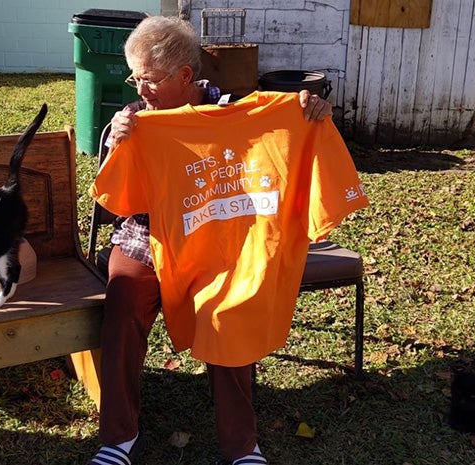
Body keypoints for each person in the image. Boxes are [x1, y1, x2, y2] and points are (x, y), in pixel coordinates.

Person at [88, 15, 335, 465]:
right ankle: (118, 438)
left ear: (185, 76)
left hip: (219, 240)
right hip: (146, 237)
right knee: (123, 300)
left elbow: (283, 136)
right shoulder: (137, 121)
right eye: (134, 78)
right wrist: (118, 144)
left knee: (229, 310)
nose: (139, 90)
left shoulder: (235, 113)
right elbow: (116, 204)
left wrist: (309, 112)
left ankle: (241, 446)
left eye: (149, 80)